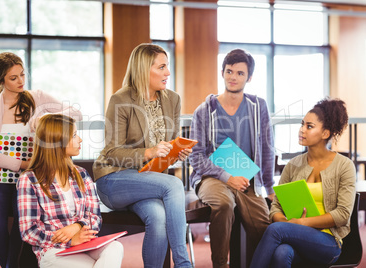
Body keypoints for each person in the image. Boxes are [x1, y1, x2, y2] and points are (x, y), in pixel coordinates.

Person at [0, 52, 82, 268]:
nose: (20, 81)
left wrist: (43, 117)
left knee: (23, 222)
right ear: (1, 80)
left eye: (22, 75)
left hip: (30, 182)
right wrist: (26, 166)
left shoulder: (37, 98)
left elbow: (76, 113)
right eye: (13, 78)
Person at [93, 43, 192, 268]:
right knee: (174, 185)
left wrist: (177, 152)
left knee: (158, 218)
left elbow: (167, 148)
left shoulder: (172, 99)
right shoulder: (121, 99)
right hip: (114, 179)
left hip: (147, 180)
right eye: (162, 67)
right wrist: (149, 152)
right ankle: (184, 264)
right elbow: (112, 152)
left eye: (168, 67)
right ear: (143, 70)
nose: (168, 73)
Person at [189, 48, 275, 267]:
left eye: (239, 73)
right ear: (222, 72)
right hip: (212, 178)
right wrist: (227, 177)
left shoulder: (258, 107)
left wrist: (269, 188)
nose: (233, 77)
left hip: (246, 177)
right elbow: (196, 158)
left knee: (263, 226)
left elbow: (266, 148)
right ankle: (220, 264)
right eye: (229, 71)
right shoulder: (204, 111)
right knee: (225, 203)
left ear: (249, 77)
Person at [250, 98, 356, 268]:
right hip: (294, 235)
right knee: (282, 252)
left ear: (325, 133)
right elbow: (275, 207)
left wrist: (302, 223)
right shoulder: (293, 165)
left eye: (309, 126)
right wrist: (286, 224)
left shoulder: (344, 166)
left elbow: (342, 215)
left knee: (275, 230)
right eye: (302, 124)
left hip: (328, 242)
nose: (301, 130)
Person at [17, 114, 124, 267]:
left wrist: (78, 226)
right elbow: (29, 231)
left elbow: (95, 217)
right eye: (74, 135)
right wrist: (69, 240)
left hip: (85, 243)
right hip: (52, 250)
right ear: (57, 141)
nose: (80, 139)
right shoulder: (29, 180)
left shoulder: (81, 174)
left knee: (115, 247)